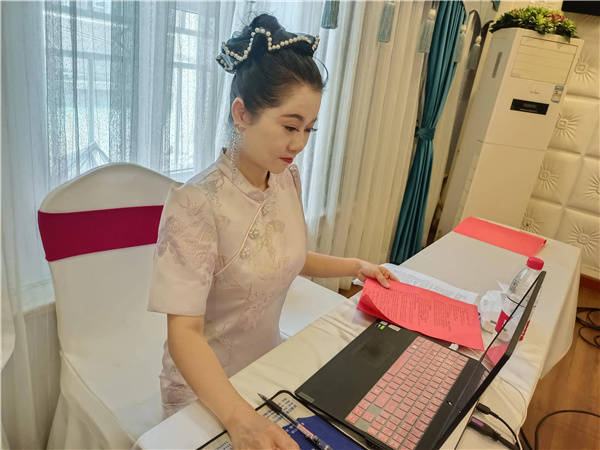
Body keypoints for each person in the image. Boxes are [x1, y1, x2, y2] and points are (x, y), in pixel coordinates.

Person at [148, 13, 398, 450]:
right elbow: (183, 334)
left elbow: (286, 255)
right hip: (207, 392)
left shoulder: (285, 179)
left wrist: (356, 266)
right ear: (242, 113)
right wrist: (240, 419)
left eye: (309, 129)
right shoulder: (196, 203)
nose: (299, 144)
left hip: (267, 369)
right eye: (289, 126)